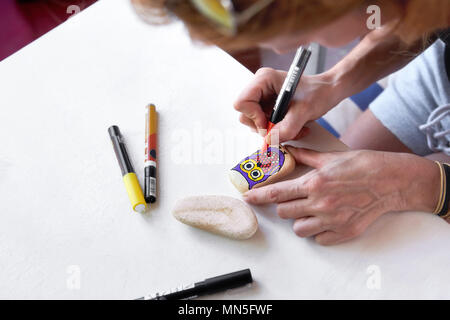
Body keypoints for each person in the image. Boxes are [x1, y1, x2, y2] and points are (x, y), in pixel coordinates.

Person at [133, 0, 450, 245]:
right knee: (332, 190)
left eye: (301, 30)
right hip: (439, 82)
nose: (283, 50)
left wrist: (414, 184)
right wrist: (332, 82)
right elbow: (420, 16)